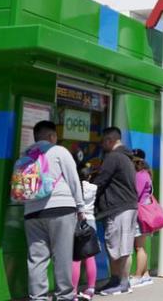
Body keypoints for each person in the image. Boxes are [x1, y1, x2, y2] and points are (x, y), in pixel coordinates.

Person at [22, 121, 85, 301]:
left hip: (32, 213)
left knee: (36, 258)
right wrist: (80, 207)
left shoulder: (25, 155)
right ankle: (64, 296)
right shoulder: (59, 151)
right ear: (52, 136)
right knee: (62, 256)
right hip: (61, 209)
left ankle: (38, 297)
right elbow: (73, 180)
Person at [92, 126, 139, 296]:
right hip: (128, 206)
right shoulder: (127, 158)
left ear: (109, 141)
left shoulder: (113, 157)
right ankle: (116, 280)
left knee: (119, 247)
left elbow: (101, 181)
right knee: (122, 246)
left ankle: (123, 283)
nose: (101, 146)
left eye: (103, 142)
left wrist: (86, 195)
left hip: (118, 207)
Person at [72, 160, 98, 300]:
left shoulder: (73, 187)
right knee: (90, 256)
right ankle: (91, 288)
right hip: (91, 222)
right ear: (89, 176)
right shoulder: (93, 188)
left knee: (75, 258)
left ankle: (74, 293)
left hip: (77, 222)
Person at [131, 150, 155, 288]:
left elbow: (136, 194)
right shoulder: (146, 174)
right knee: (141, 246)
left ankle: (138, 276)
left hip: (140, 214)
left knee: (139, 247)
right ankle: (145, 274)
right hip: (145, 213)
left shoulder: (140, 175)